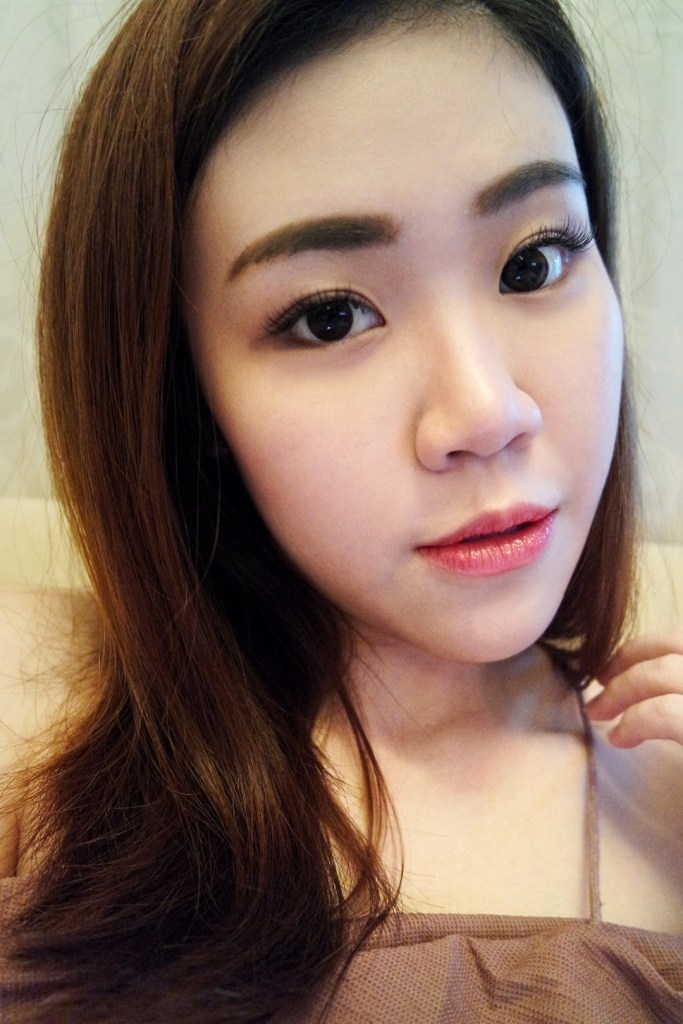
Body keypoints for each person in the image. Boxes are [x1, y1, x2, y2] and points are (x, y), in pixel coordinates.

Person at [1, 0, 682, 1020]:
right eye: (329, 318)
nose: (485, 412)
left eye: (532, 262)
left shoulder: (661, 796)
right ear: (184, 393)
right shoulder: (39, 714)